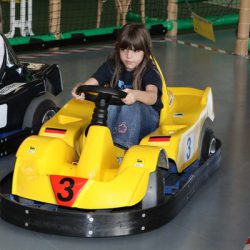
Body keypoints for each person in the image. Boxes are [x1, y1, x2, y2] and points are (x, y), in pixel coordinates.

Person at [72, 22, 163, 148]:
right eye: (124, 49)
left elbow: (152, 96)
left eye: (135, 51)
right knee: (110, 102)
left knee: (129, 105)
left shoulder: (149, 71)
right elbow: (91, 82)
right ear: (118, 48)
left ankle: (120, 147)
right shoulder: (112, 65)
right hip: (118, 116)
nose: (128, 56)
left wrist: (135, 94)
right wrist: (80, 88)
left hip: (147, 119)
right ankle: (99, 143)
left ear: (145, 51)